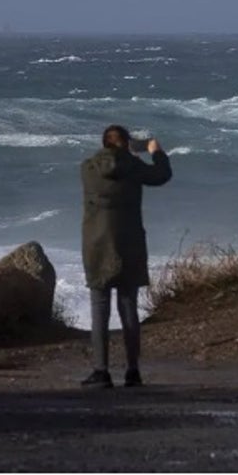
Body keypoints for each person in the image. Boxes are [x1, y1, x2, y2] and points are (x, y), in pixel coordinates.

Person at [79, 125, 172, 388]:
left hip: (96, 244)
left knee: (99, 307)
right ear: (127, 143)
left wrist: (125, 151)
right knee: (128, 306)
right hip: (129, 242)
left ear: (104, 144)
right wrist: (155, 151)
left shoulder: (87, 168)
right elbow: (162, 175)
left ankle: (101, 371)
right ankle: (133, 371)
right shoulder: (134, 167)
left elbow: (111, 164)